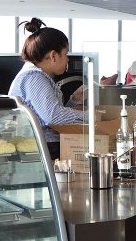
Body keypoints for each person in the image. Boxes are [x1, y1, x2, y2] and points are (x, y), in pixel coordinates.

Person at [8, 18, 86, 160]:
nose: (67, 59)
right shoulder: (34, 78)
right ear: (53, 56)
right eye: (65, 53)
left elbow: (48, 116)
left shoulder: (38, 76)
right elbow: (54, 117)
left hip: (44, 147)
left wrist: (74, 100)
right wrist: (91, 117)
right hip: (42, 149)